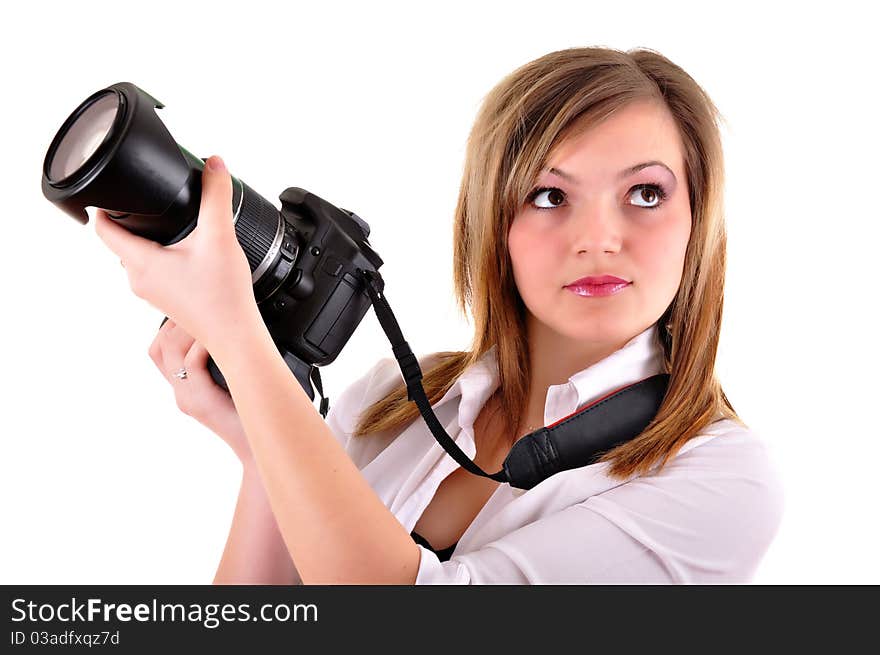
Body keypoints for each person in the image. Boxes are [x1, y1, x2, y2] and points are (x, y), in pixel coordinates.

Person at [94, 46, 784, 584]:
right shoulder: (398, 397)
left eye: (644, 192)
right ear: (495, 224)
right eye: (549, 195)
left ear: (699, 222)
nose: (598, 237)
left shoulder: (720, 477)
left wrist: (238, 334)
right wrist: (259, 449)